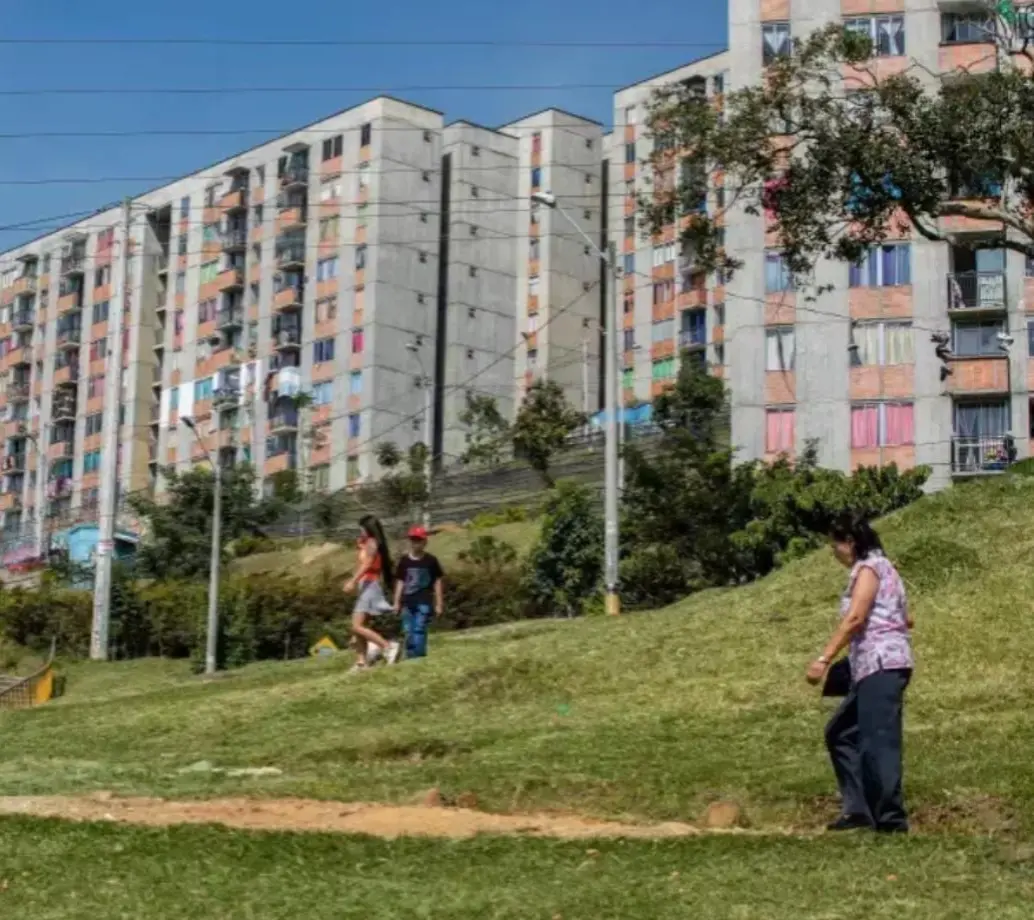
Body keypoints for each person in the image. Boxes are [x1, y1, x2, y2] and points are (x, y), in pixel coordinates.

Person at [806, 514, 914, 834]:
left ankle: (891, 822)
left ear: (850, 543)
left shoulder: (869, 568)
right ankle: (858, 810)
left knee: (878, 743)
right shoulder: (886, 568)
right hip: (873, 665)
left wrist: (824, 659)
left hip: (881, 665)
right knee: (841, 733)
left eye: (834, 545)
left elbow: (855, 618)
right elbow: (905, 619)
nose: (833, 552)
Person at [345, 515, 400, 669]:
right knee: (359, 626)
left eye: (361, 528)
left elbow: (368, 564)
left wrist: (352, 581)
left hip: (369, 584)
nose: (359, 531)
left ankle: (387, 647)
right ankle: (361, 662)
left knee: (356, 626)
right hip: (367, 585)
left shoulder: (371, 542)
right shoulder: (369, 543)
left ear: (367, 528)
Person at [393, 525, 444, 660]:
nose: (416, 543)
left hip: (424, 600)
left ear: (424, 542)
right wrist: (396, 602)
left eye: (419, 540)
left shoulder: (431, 561)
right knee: (408, 629)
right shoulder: (405, 561)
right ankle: (410, 655)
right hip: (408, 601)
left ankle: (418, 656)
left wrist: (439, 603)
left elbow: (437, 582)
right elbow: (400, 582)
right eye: (413, 540)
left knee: (419, 627)